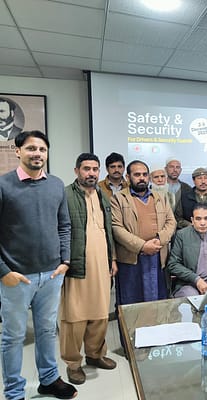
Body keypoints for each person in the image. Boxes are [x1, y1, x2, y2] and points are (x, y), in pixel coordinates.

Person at [0, 130, 77, 400]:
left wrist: (65, 261)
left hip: (52, 275)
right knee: (13, 337)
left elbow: (64, 225)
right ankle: (14, 392)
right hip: (16, 277)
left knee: (46, 330)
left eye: (42, 149)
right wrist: (4, 272)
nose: (37, 154)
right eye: (31, 148)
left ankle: (49, 379)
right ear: (18, 151)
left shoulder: (55, 184)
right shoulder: (3, 185)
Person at [61, 153, 118, 385]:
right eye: (86, 169)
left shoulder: (103, 195)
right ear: (77, 171)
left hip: (102, 264)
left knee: (100, 314)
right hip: (76, 264)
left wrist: (112, 258)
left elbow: (107, 230)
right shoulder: (65, 195)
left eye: (95, 169)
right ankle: (73, 364)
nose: (91, 173)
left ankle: (95, 355)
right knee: (74, 317)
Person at [111, 160, 176, 307]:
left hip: (157, 256)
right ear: (128, 177)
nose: (142, 178)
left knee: (158, 302)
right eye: (137, 175)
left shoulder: (160, 197)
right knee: (131, 304)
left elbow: (171, 222)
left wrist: (159, 240)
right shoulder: (118, 199)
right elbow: (116, 228)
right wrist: (142, 246)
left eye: (145, 174)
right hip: (131, 258)